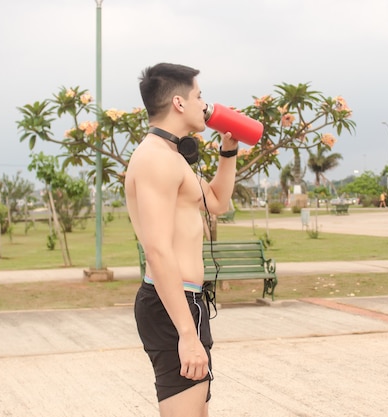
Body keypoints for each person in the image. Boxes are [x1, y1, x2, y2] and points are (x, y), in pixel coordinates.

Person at [124, 63, 238, 417]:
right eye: (199, 96)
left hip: (189, 302)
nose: (204, 105)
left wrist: (228, 151)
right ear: (178, 102)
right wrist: (187, 335)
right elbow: (157, 251)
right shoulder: (155, 160)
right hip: (172, 306)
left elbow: (216, 203)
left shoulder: (172, 158)